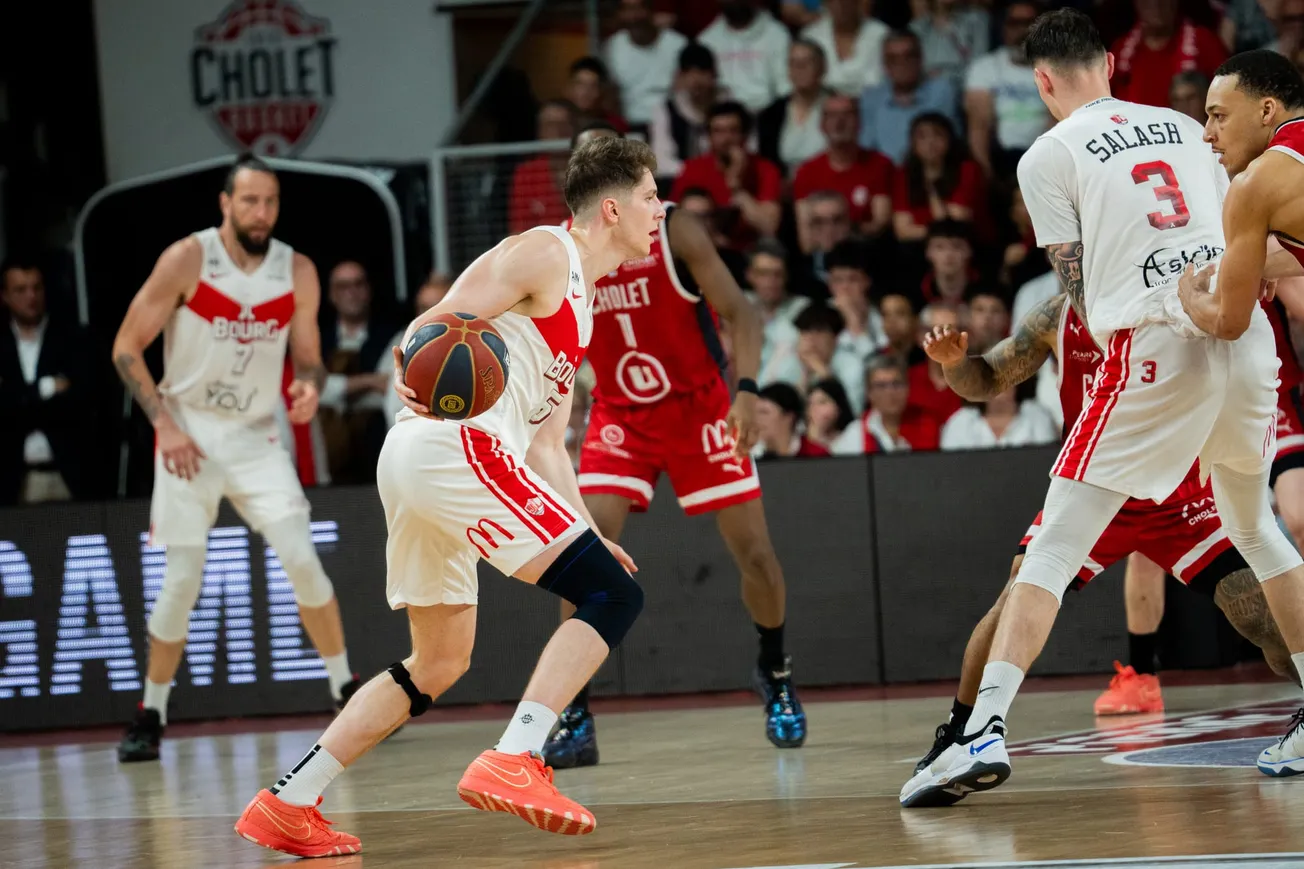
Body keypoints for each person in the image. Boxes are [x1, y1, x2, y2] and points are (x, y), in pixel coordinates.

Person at [905, 11, 1304, 801]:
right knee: (1256, 524)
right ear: (1114, 64)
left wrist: (1158, 300)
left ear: (1042, 82)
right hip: (1248, 334)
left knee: (1048, 550)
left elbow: (1084, 300)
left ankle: (977, 731)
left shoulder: (1048, 154)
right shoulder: (1190, 125)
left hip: (1164, 347)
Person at [233, 136, 663, 857]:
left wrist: (592, 532)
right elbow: (431, 325)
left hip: (432, 459)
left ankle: (289, 800)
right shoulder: (544, 252)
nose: (661, 210)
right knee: (615, 597)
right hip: (454, 444)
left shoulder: (583, 308)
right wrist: (418, 350)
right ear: (613, 207)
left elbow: (548, 445)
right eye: (652, 197)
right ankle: (519, 754)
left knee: (438, 661)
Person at [900, 292, 1297, 806]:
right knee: (1010, 606)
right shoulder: (1056, 316)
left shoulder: (1170, 300)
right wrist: (956, 365)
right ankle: (959, 734)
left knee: (1264, 618)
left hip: (1179, 496)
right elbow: (988, 379)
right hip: (1096, 489)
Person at [545, 125, 805, 770]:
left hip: (698, 406)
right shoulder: (562, 247)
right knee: (579, 552)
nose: (651, 197)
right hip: (621, 413)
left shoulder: (673, 230)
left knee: (755, 554)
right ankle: (573, 711)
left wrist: (744, 389)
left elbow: (742, 314)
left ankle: (774, 669)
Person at [111, 154, 359, 764]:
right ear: (225, 203)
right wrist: (163, 424)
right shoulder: (188, 258)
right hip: (188, 427)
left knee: (302, 558)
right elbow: (124, 349)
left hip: (254, 432)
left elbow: (309, 356)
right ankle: (151, 711)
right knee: (182, 580)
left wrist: (306, 383)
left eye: (270, 201)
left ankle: (345, 691)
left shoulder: (296, 269)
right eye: (249, 201)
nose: (261, 212)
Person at [1192, 47, 1304, 775]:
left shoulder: (1258, 182)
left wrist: (1186, 294)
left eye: (1217, 115)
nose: (1207, 133)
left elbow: (1228, 320)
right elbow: (1286, 264)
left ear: (1267, 111)